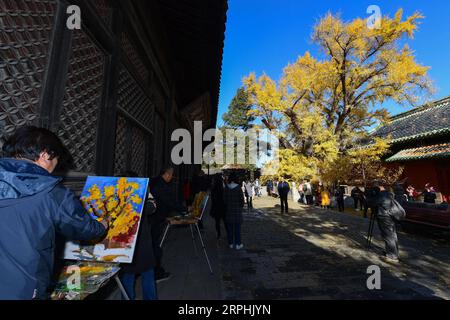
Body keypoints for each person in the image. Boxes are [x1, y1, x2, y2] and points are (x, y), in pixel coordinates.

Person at [0, 126, 108, 300]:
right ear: (44, 155)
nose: (54, 166)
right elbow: (85, 228)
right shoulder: (52, 192)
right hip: (23, 286)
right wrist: (101, 225)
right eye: (55, 159)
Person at [119, 171, 157, 300]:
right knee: (147, 273)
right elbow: (152, 208)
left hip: (125, 243)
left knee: (128, 276)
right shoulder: (142, 193)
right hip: (140, 242)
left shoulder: (116, 197)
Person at [149, 166, 188, 282]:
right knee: (155, 246)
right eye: (171, 175)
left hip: (154, 218)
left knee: (154, 245)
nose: (171, 177)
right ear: (166, 174)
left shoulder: (156, 182)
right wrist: (183, 209)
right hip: (155, 219)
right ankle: (156, 272)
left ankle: (154, 270)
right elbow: (168, 201)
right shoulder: (161, 185)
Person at [375, 185, 403, 262]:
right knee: (391, 236)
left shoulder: (384, 194)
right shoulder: (389, 194)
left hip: (385, 217)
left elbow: (385, 205)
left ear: (382, 187)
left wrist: (375, 200)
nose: (376, 188)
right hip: (389, 217)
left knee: (389, 236)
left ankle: (392, 256)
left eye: (378, 186)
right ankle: (392, 252)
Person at [223, 173, 245, 250]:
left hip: (228, 211)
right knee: (237, 229)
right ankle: (238, 244)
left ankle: (231, 243)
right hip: (237, 211)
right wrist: (240, 207)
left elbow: (224, 201)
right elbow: (242, 200)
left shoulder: (226, 188)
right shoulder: (238, 188)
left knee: (230, 229)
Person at [210, 174, 227, 240]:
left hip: (216, 207)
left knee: (217, 222)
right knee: (225, 221)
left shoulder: (213, 189)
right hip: (223, 207)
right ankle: (228, 233)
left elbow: (213, 200)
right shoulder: (223, 189)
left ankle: (219, 235)